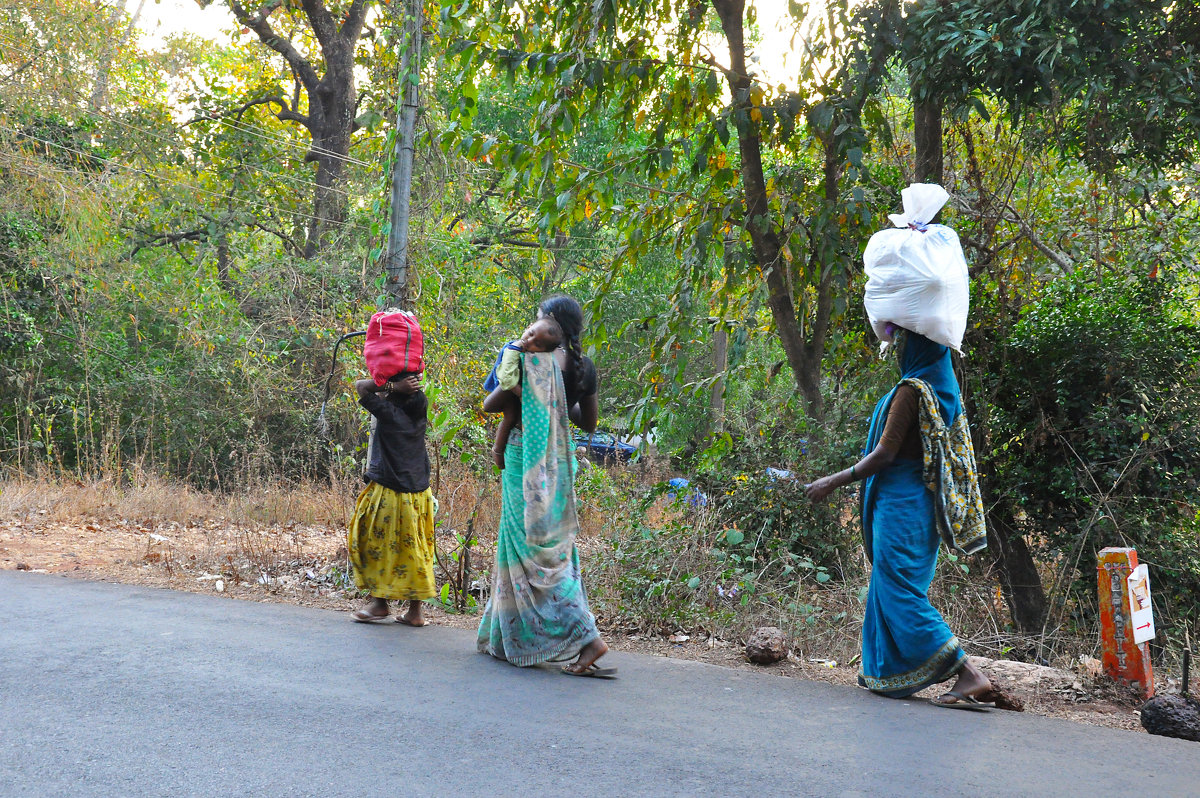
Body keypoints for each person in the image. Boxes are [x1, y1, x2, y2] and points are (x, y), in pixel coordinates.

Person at [805, 325, 993, 709]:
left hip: (903, 506)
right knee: (894, 586)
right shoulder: (944, 388)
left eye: (906, 341)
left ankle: (969, 673)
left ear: (918, 347)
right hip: (924, 509)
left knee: (897, 590)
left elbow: (884, 454)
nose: (901, 348)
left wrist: (833, 481)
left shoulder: (912, 391)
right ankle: (890, 673)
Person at [477, 294, 613, 677]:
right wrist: (556, 403)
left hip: (525, 458)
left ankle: (587, 637)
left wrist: (536, 394)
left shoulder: (529, 359)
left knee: (526, 553)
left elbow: (491, 404)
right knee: (553, 552)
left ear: (547, 322)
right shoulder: (584, 367)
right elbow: (587, 423)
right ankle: (509, 636)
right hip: (560, 460)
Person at [347, 371, 437, 627]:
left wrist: (392, 385)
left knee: (375, 544)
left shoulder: (390, 414)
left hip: (391, 492)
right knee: (416, 549)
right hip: (420, 494)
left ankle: (379, 604)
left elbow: (361, 386)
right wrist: (398, 388)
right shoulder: (418, 407)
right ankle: (415, 612)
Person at [490, 315, 564, 471]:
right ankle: (497, 453)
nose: (529, 341)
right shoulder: (514, 348)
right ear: (529, 326)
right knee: (509, 417)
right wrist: (522, 394)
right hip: (505, 386)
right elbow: (506, 379)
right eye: (530, 333)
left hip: (513, 386)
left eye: (537, 344)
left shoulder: (539, 359)